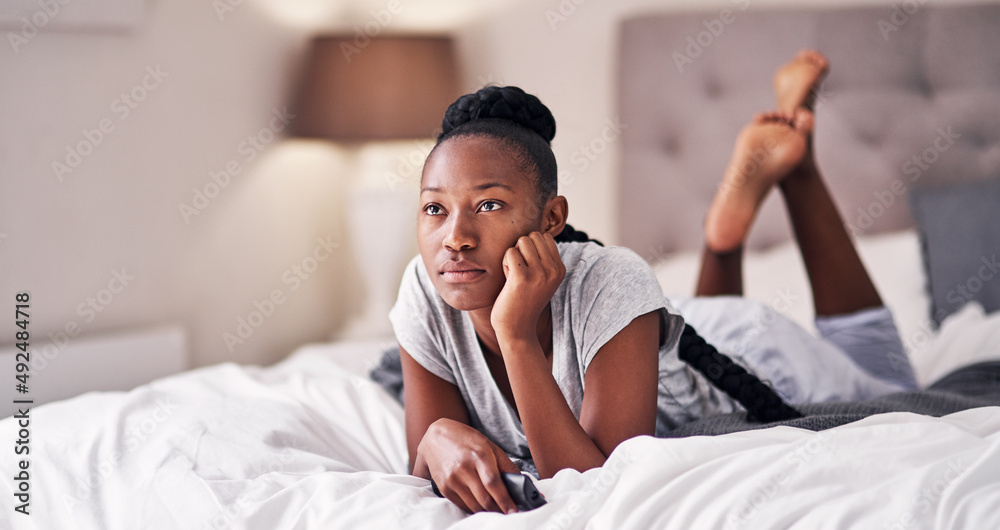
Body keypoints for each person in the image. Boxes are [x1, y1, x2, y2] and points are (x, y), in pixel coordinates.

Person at [387, 50, 918, 515]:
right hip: (662, 341)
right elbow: (425, 459)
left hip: (748, 355)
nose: (454, 238)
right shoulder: (425, 285)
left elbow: (599, 487)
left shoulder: (614, 277)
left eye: (489, 205)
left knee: (892, 378)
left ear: (551, 219)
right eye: (435, 207)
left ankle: (796, 174)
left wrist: (517, 335)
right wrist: (437, 435)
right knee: (682, 351)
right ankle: (723, 235)